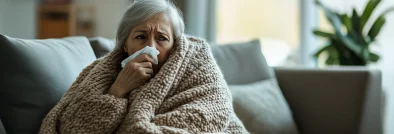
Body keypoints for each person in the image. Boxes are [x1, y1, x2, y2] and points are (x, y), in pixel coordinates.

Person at [39, 0, 248, 133]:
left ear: (175, 45)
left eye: (162, 38)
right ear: (125, 45)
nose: (150, 47)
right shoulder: (101, 73)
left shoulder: (198, 65)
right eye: (140, 37)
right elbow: (72, 127)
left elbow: (212, 113)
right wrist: (118, 89)